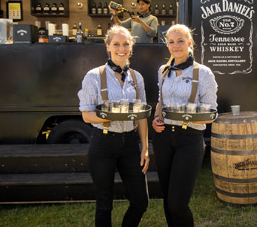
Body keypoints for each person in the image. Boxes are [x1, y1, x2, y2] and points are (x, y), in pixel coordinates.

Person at [78, 25, 150, 227]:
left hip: (129, 143)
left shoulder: (137, 77)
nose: (121, 48)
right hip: (103, 144)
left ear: (131, 46)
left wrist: (144, 148)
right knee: (104, 205)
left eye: (126, 44)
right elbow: (86, 115)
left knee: (140, 201)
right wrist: (111, 116)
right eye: (116, 44)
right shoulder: (94, 76)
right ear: (108, 46)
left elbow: (142, 115)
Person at [151, 24, 218, 227]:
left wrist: (184, 117)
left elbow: (211, 114)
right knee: (167, 197)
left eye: (181, 41)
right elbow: (161, 101)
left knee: (178, 204)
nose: (176, 45)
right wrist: (156, 119)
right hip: (163, 139)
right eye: (171, 41)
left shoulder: (203, 73)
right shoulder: (163, 71)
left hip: (189, 140)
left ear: (190, 43)